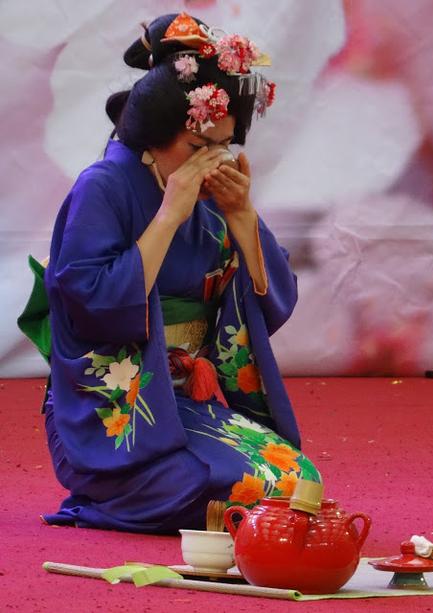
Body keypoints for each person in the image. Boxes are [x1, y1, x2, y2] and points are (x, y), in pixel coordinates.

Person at [20, 12, 321, 534]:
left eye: (223, 147)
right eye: (197, 148)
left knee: (296, 480)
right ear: (152, 139)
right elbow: (88, 303)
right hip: (109, 411)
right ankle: (99, 502)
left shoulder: (209, 205)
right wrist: (167, 216)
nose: (212, 163)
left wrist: (243, 216)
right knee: (219, 488)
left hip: (180, 400)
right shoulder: (103, 187)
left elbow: (269, 303)